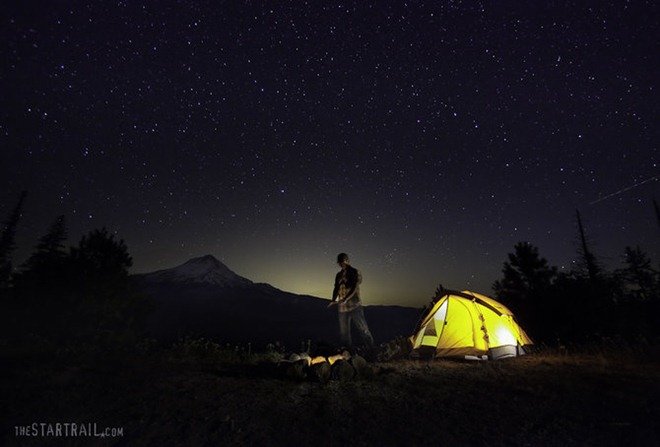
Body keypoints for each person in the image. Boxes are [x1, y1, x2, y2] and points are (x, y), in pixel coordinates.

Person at [328, 253, 374, 347]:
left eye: (343, 262)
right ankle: (347, 354)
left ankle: (371, 350)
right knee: (344, 333)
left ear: (348, 261)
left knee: (363, 329)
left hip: (355, 306)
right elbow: (336, 288)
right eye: (340, 263)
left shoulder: (355, 272)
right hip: (342, 308)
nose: (341, 264)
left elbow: (354, 287)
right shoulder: (338, 275)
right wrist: (333, 299)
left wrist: (346, 298)